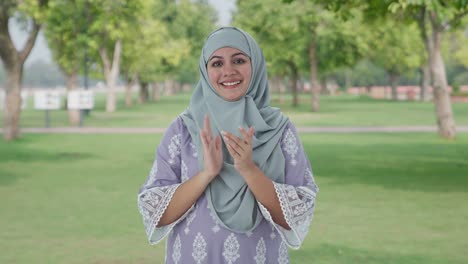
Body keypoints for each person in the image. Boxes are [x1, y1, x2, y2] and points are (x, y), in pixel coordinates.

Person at [137, 27, 318, 264]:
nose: (228, 71)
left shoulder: (280, 130)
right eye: (216, 64)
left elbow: (296, 216)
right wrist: (207, 174)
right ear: (205, 70)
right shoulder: (184, 129)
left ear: (256, 65)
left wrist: (249, 170)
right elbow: (157, 215)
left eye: (239, 60)